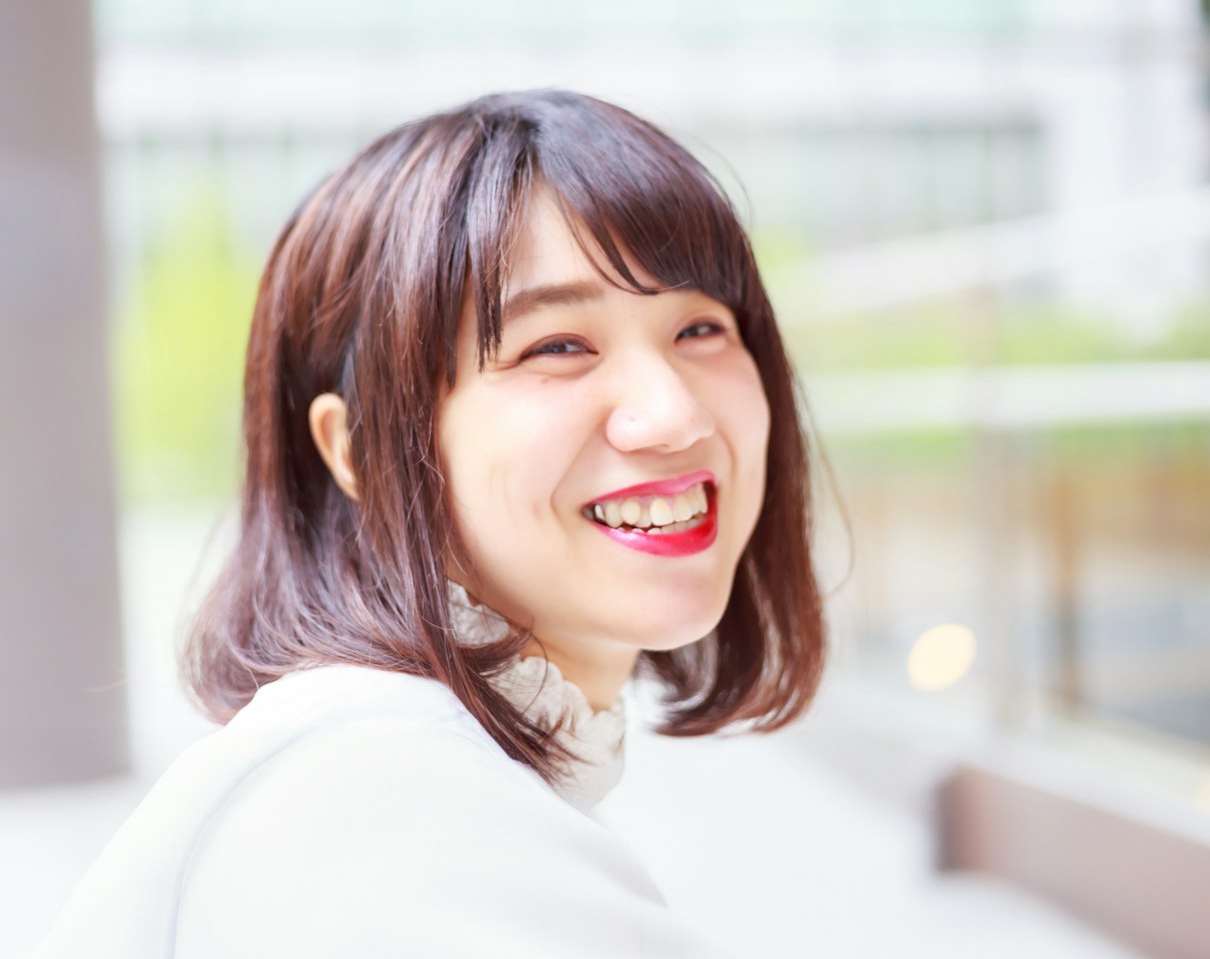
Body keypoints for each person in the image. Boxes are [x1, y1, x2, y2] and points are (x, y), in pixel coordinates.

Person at [30, 89, 828, 958]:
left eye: (702, 328)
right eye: (557, 346)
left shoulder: (418, 775)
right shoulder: (383, 805)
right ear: (359, 450)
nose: (673, 415)